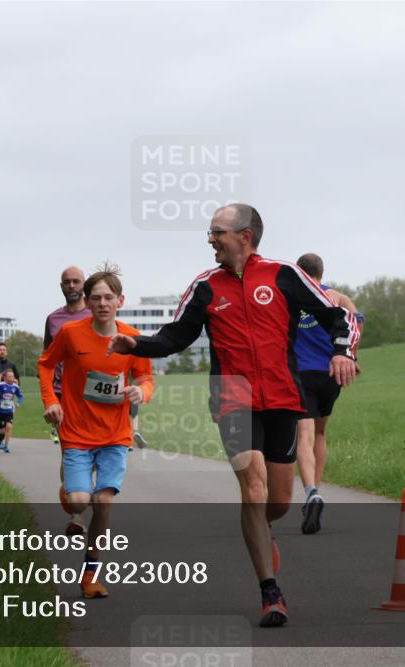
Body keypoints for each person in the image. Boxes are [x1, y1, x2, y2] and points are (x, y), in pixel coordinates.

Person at [109, 204, 359, 627]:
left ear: (244, 235)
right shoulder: (205, 287)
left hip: (282, 396)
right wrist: (137, 346)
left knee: (277, 502)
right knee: (254, 488)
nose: (210, 241)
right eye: (209, 234)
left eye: (216, 233)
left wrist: (342, 351)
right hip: (232, 397)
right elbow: (175, 336)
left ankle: (264, 534)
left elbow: (338, 316)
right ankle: (270, 591)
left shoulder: (284, 275)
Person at [38, 265, 153, 599]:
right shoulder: (72, 334)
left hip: (115, 434)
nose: (103, 303)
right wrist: (51, 400)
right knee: (78, 500)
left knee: (103, 502)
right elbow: (45, 365)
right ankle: (68, 492)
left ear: (120, 300)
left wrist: (141, 393)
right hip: (75, 432)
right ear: (87, 302)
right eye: (96, 298)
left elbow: (146, 378)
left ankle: (90, 573)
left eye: (109, 297)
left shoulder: (132, 340)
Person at [293, 252, 364, 535]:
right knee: (321, 434)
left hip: (301, 374)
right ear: (322, 273)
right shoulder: (337, 297)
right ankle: (318, 490)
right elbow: (356, 323)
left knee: (304, 435)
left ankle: (311, 492)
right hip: (332, 372)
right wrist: (352, 357)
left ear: (299, 273)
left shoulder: (292, 298)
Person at [43, 266, 92, 535]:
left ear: (84, 285)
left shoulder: (96, 313)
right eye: (67, 282)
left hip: (94, 395)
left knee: (95, 452)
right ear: (61, 286)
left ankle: (87, 495)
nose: (72, 286)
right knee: (70, 451)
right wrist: (49, 398)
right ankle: (77, 516)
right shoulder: (53, 319)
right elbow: (46, 361)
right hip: (63, 395)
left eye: (76, 281)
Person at [0, 369, 24, 453]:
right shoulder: (0, 385)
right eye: (9, 376)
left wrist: (18, 403)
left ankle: (6, 445)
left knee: (9, 427)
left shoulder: (15, 387)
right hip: (0, 411)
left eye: (12, 376)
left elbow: (20, 396)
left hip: (10, 410)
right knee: (2, 430)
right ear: (4, 377)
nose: (11, 378)